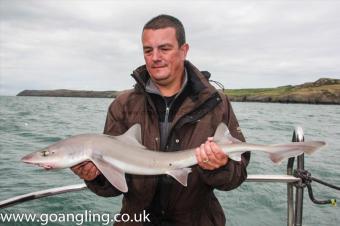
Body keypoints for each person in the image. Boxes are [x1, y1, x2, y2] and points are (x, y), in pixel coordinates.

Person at [71, 14, 250, 226]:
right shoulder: (123, 105)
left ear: (183, 51)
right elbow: (112, 188)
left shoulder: (216, 103)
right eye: (148, 50)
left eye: (164, 48)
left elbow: (236, 176)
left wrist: (219, 167)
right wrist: (95, 176)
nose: (155, 57)